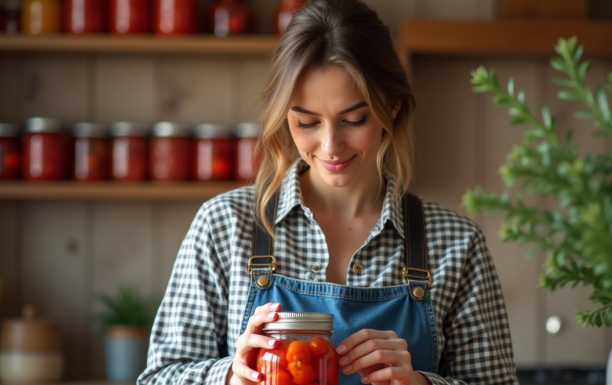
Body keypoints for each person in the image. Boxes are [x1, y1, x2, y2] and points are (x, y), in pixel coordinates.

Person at [137, 0, 520, 384]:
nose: (330, 145)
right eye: (307, 122)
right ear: (284, 116)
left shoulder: (456, 243)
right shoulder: (224, 226)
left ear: (393, 108)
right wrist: (229, 378)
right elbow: (158, 377)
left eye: (354, 119)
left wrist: (421, 383)